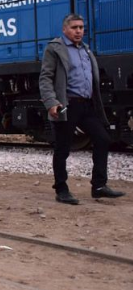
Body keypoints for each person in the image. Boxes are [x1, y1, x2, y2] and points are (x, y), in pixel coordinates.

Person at [39, 14, 125, 205]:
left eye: (81, 27)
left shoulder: (86, 50)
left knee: (103, 139)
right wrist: (52, 102)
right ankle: (61, 189)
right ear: (65, 29)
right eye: (74, 27)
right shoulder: (55, 49)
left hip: (86, 105)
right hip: (66, 105)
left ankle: (99, 186)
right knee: (62, 148)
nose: (79, 31)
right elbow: (45, 78)